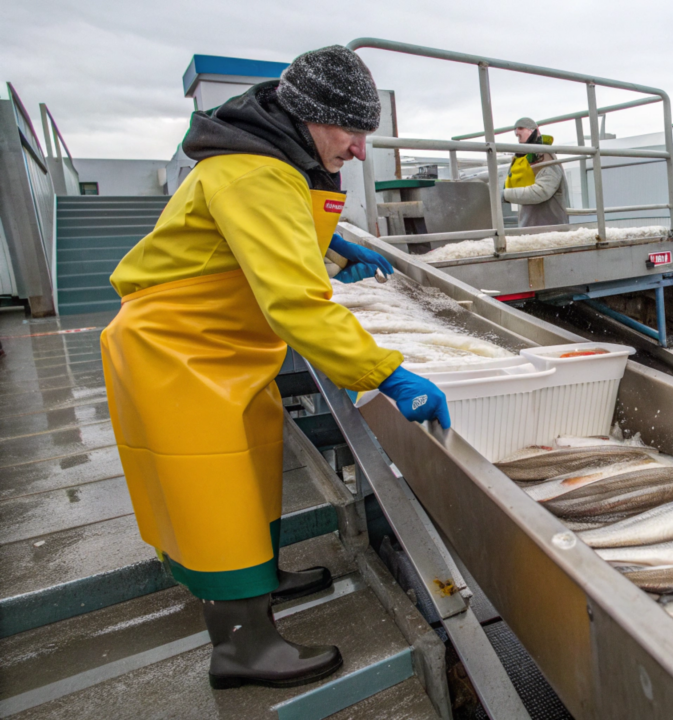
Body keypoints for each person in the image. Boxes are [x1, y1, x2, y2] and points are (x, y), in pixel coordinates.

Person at [101, 46, 451, 690]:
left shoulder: (277, 159)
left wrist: (332, 244)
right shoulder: (254, 173)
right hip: (179, 350)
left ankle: (259, 578)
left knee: (253, 469)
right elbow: (295, 301)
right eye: (351, 131)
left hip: (225, 348)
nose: (359, 150)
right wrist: (385, 372)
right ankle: (242, 646)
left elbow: (262, 239)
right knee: (215, 493)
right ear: (310, 115)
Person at [502, 117, 569, 227]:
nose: (519, 139)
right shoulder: (527, 159)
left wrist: (504, 195)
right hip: (532, 228)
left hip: (550, 229)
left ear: (534, 131)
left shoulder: (546, 158)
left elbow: (541, 191)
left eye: (521, 130)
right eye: (517, 135)